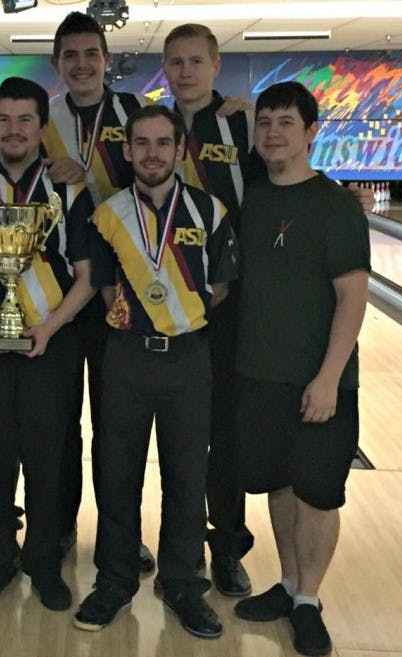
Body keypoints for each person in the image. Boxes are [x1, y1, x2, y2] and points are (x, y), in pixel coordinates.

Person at [74, 105, 237, 639]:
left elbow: (221, 286)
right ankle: (115, 579)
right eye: (141, 143)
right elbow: (102, 286)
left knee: (186, 477)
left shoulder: (210, 211)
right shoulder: (108, 214)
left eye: (163, 142)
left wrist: (177, 319)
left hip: (189, 359)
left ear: (179, 149)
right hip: (126, 358)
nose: (152, 153)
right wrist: (139, 320)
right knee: (117, 474)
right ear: (127, 150)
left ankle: (182, 582)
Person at [0, 76, 96, 611]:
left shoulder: (68, 190)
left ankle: (44, 563)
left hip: (53, 347)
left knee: (49, 460)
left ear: (42, 128)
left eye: (25, 119)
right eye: (3, 119)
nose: (14, 129)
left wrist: (49, 329)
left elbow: (87, 277)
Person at [233, 81, 369, 657]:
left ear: (311, 132)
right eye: (264, 122)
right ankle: (288, 584)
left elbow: (353, 297)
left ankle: (310, 599)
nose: (273, 133)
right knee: (279, 482)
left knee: (318, 492)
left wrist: (329, 377)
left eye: (286, 122)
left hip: (319, 380)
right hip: (258, 374)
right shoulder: (251, 197)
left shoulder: (336, 206)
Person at [43, 10, 156, 570]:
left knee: (119, 430)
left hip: (123, 291)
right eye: (71, 55)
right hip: (59, 295)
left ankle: (122, 536)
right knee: (60, 426)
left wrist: (235, 110)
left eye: (92, 53)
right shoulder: (41, 119)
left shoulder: (136, 112)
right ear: (57, 63)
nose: (82, 64)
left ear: (107, 60)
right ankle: (60, 527)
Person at [161, 22, 262, 596]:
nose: (186, 71)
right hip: (160, 302)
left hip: (226, 303)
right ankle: (176, 547)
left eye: (196, 61)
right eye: (176, 62)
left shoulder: (242, 124)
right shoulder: (149, 126)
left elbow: (283, 177)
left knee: (223, 433)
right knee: (173, 436)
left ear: (216, 65)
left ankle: (226, 546)